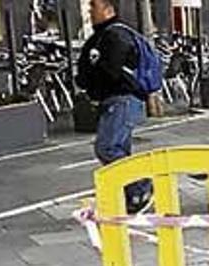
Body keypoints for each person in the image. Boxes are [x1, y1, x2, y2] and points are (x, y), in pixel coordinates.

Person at [76, 0, 151, 214]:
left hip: (122, 98)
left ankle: (142, 186)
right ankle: (132, 195)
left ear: (109, 10)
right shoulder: (102, 35)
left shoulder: (115, 36)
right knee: (118, 149)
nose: (90, 12)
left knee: (107, 147)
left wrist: (93, 69)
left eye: (94, 7)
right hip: (114, 99)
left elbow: (112, 70)